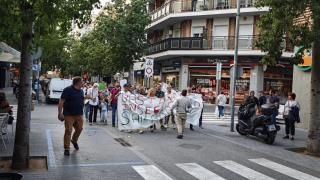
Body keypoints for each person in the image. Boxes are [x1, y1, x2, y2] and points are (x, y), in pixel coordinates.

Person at [58, 77, 84, 156]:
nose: (82, 83)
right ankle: (67, 148)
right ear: (77, 82)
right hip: (68, 114)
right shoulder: (67, 90)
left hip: (79, 114)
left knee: (79, 129)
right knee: (68, 130)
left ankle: (74, 140)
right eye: (81, 81)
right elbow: (61, 101)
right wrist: (60, 113)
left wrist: (87, 98)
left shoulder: (81, 91)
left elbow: (80, 100)